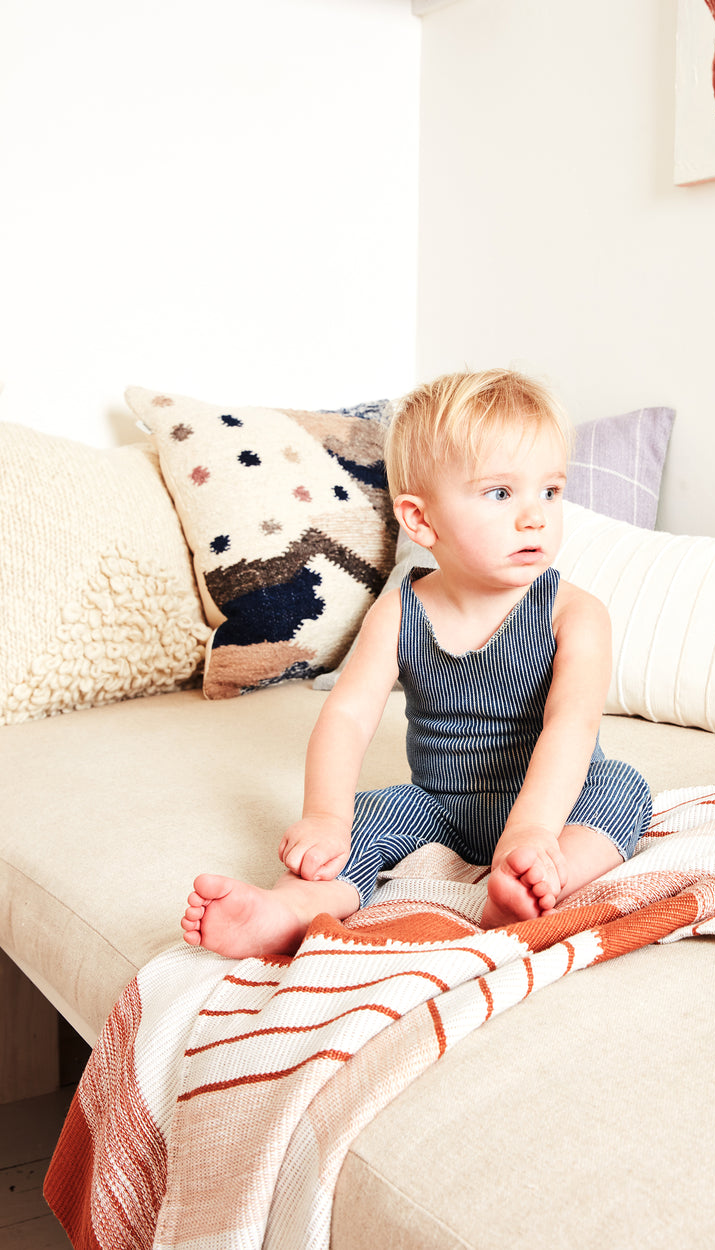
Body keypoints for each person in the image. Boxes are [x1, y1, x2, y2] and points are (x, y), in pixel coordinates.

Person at [181, 369, 652, 958]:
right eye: (501, 493)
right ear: (421, 520)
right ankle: (288, 910)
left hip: (553, 802)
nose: (535, 517)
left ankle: (533, 887)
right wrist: (325, 816)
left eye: (550, 492)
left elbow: (571, 727)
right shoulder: (400, 610)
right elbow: (349, 715)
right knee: (366, 816)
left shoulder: (575, 613)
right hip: (441, 804)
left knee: (620, 790)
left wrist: (529, 833)